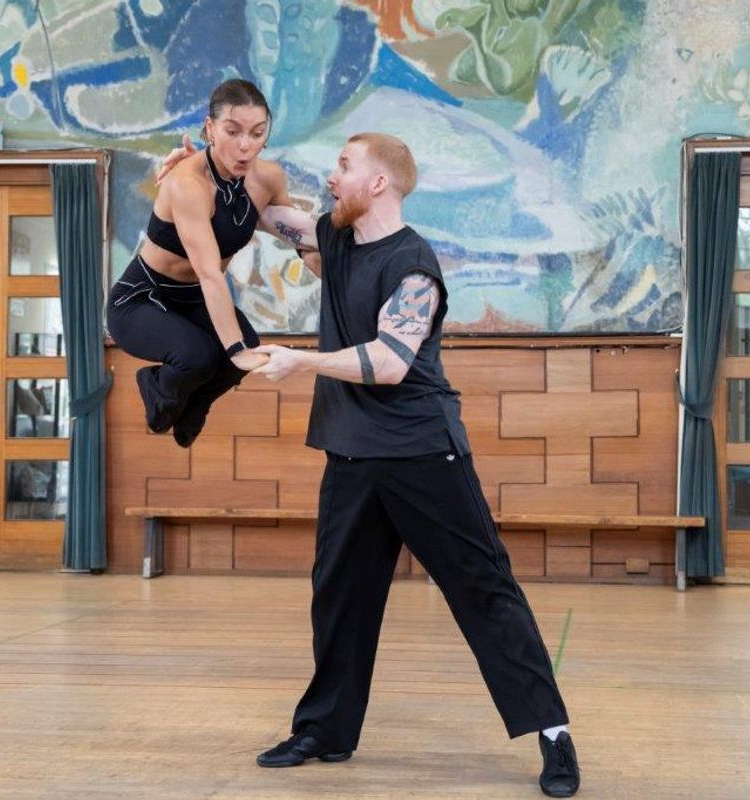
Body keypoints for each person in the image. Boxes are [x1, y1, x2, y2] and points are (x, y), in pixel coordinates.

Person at [159, 133, 581, 796]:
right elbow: (267, 215)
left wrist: (302, 360)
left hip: (422, 452)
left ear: (378, 182)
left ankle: (551, 736)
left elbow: (387, 364)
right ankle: (324, 728)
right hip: (351, 451)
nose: (331, 177)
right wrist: (204, 172)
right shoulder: (332, 236)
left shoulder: (413, 265)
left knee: (483, 592)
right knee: (339, 598)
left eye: (344, 166)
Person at [107, 78, 309, 447]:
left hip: (193, 297)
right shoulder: (188, 184)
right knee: (201, 356)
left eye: (257, 133)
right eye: (232, 131)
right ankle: (156, 388)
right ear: (210, 128)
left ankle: (195, 405)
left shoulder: (268, 179)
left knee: (250, 342)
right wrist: (235, 352)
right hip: (142, 298)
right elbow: (210, 274)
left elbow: (301, 236)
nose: (245, 145)